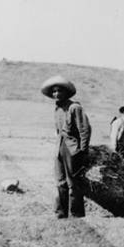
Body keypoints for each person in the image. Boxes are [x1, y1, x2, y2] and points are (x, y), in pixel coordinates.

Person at [41, 75, 91, 218]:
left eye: (59, 91)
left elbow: (84, 129)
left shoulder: (75, 108)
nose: (56, 94)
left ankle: (77, 214)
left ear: (66, 93)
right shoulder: (57, 109)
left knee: (73, 183)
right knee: (60, 181)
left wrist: (82, 151)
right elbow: (58, 131)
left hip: (72, 148)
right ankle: (61, 214)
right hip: (59, 147)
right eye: (54, 91)